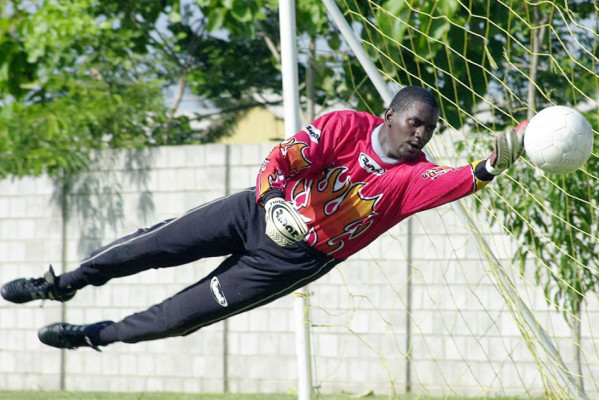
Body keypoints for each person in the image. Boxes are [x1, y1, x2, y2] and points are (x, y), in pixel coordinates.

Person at [1, 86, 528, 351]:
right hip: (254, 211)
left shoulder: (411, 178)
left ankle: (95, 335)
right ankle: (59, 284)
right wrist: (274, 200)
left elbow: (455, 180)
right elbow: (281, 159)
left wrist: (495, 162)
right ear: (390, 115)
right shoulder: (344, 126)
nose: (421, 136)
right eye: (415, 123)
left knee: (180, 318)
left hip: (292, 260)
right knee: (141, 249)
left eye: (430, 130)